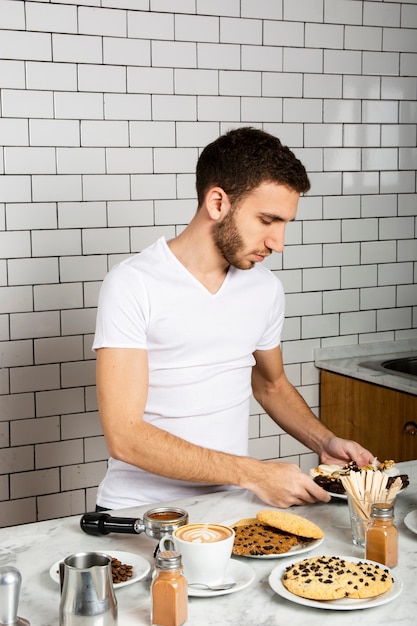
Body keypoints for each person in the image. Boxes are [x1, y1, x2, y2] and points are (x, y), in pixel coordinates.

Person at [92, 126, 374, 511]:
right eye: (267, 220)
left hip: (228, 510)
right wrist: (254, 474)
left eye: (285, 224)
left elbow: (271, 385)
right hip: (139, 511)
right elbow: (124, 436)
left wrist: (323, 442)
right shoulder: (133, 284)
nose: (279, 243)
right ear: (218, 202)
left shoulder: (265, 289)